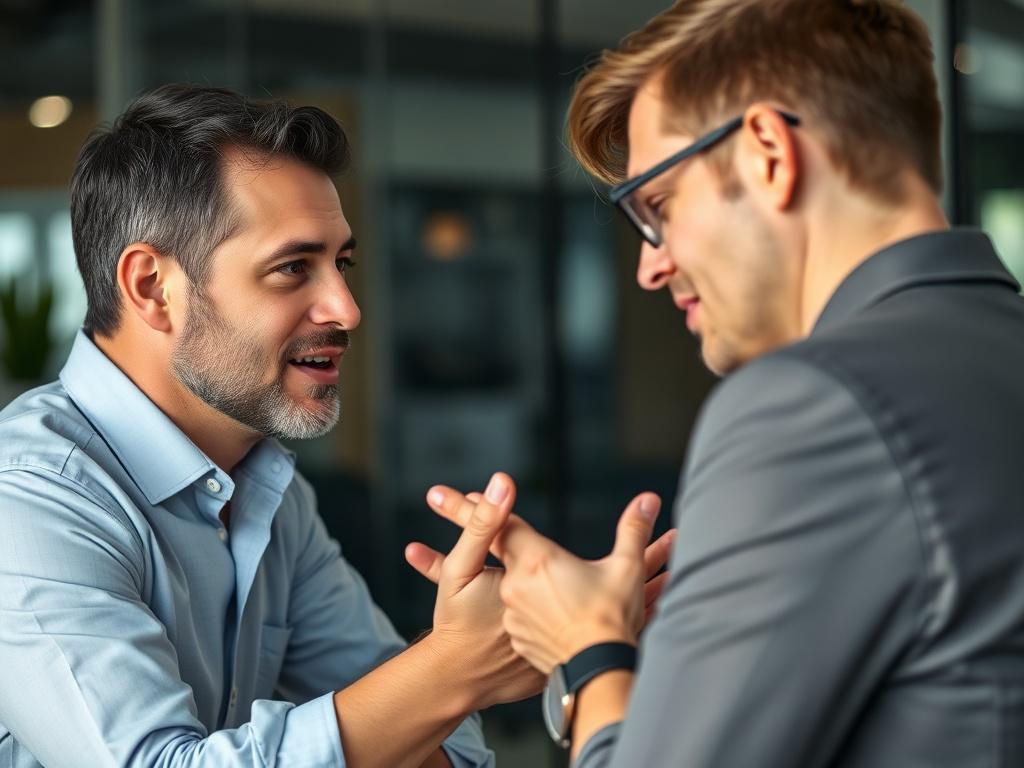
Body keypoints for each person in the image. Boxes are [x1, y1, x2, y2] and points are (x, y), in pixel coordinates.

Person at [421, 1, 1024, 766]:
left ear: (769, 152)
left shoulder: (809, 406)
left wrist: (586, 650)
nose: (650, 265)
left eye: (660, 207)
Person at [0, 84, 562, 768]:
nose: (347, 309)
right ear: (152, 287)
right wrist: (452, 670)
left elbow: (451, 751)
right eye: (293, 267)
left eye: (341, 264)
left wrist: (445, 680)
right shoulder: (28, 497)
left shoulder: (269, 493)